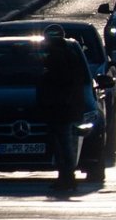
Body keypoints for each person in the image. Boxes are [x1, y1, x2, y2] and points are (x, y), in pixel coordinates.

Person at [38, 25, 91, 193]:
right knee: (63, 145)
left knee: (62, 145)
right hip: (64, 107)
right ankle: (67, 178)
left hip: (59, 108)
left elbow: (59, 83)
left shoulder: (58, 56)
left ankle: (67, 178)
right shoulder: (67, 53)